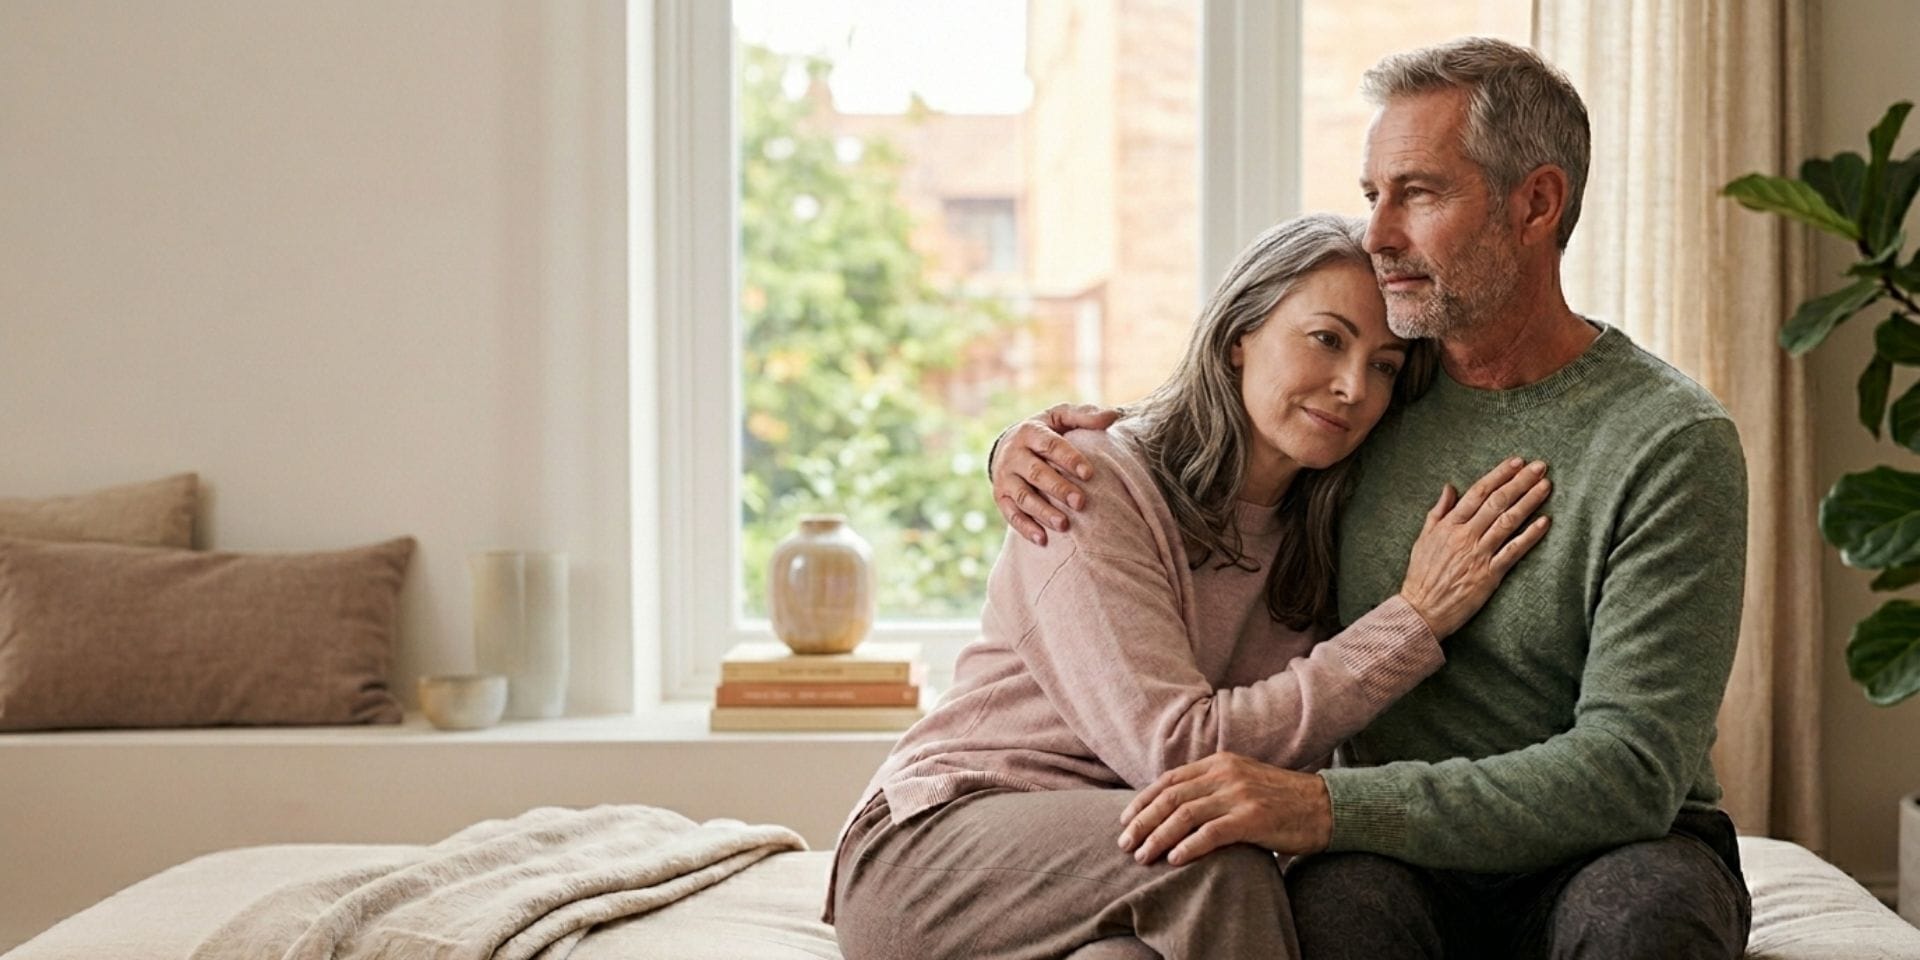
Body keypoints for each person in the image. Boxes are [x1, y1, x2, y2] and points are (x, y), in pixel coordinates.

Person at [990, 37, 1752, 960]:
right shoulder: (1372, 398)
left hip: (1618, 848)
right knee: (1333, 920)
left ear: (1536, 204)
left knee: (1641, 922)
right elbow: (1203, 436)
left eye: (1419, 193)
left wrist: (1323, 804)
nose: (1379, 234)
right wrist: (1022, 447)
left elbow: (1632, 773)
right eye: (1371, 195)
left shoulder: (1668, 439)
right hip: (1391, 856)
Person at [828, 213, 1552, 960]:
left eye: (1384, 367)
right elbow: (1181, 755)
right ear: (1239, 334)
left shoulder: (1332, 526)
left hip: (1117, 867)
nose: (1350, 387)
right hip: (935, 850)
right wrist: (1415, 622)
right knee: (1215, 864)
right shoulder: (1089, 481)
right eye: (1327, 339)